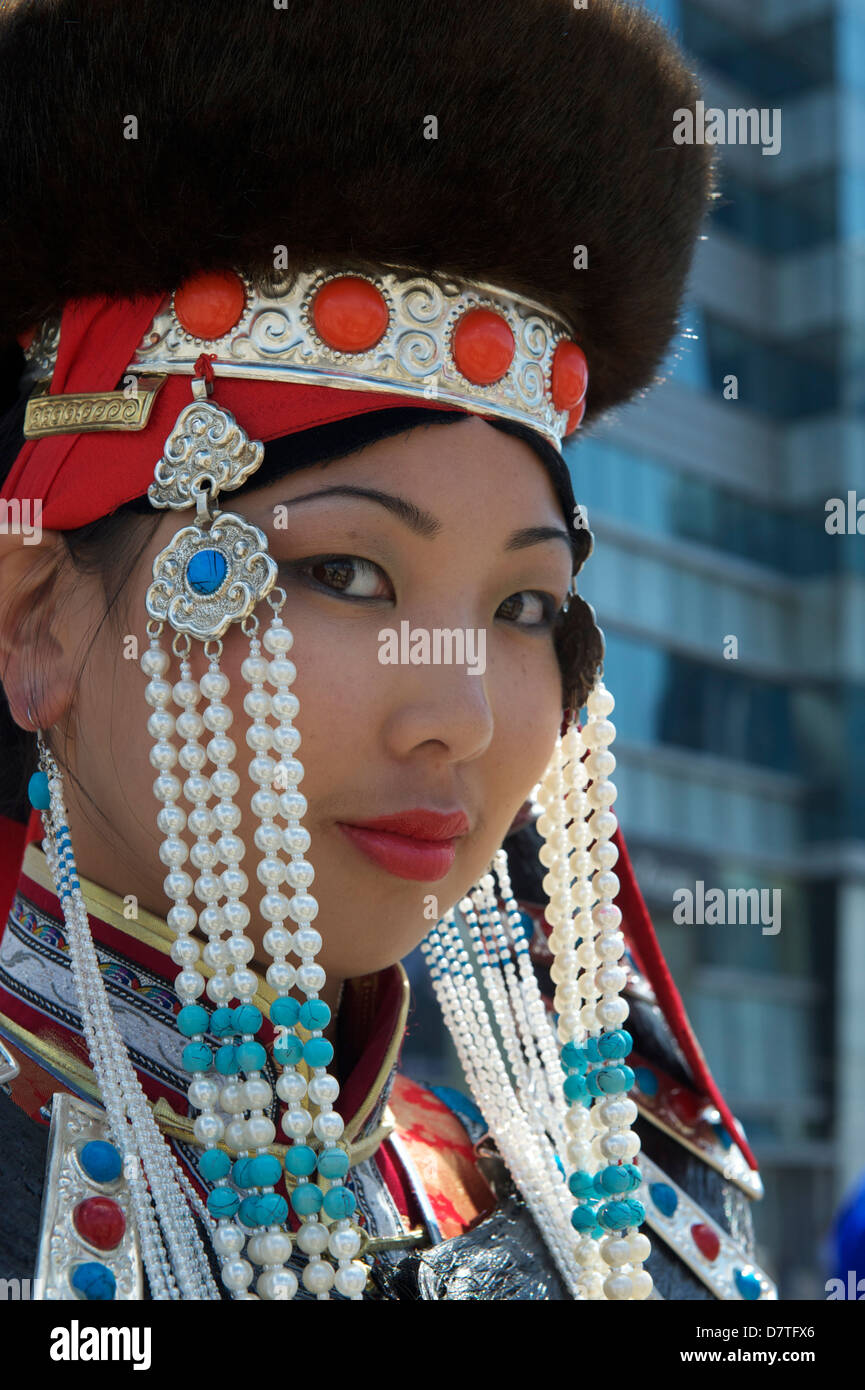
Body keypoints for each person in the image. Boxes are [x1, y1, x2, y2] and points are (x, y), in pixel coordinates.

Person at [0, 0, 776, 1301]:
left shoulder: (546, 1212)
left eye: (525, 604)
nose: (462, 713)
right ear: (38, 618)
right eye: (344, 571)